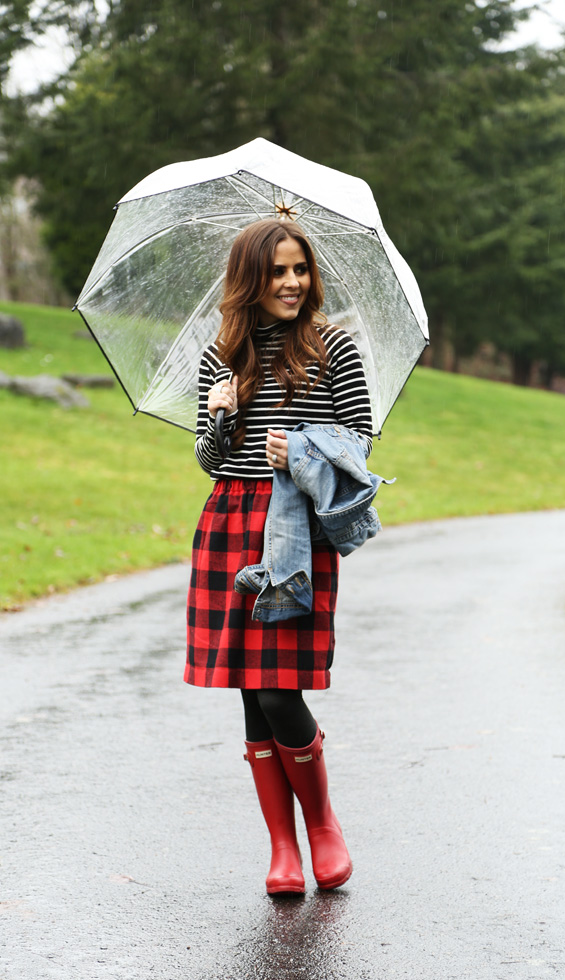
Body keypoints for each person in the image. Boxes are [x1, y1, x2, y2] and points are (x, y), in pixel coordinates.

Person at [185, 217, 374, 895]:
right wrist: (220, 416)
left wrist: (297, 452)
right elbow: (210, 462)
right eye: (278, 272)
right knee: (249, 691)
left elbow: (360, 446)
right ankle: (282, 849)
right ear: (250, 280)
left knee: (277, 687)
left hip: (295, 527)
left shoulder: (334, 349)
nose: (292, 283)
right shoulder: (220, 356)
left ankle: (322, 824)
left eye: (300, 270)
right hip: (231, 520)